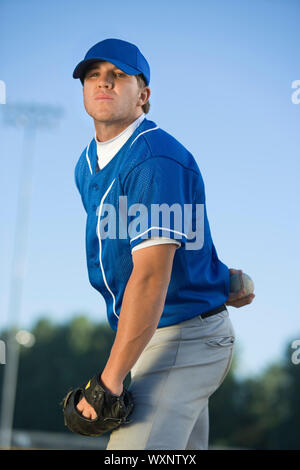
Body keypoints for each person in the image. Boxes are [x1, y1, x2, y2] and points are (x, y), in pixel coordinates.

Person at [72, 38, 255, 450]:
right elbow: (140, 243)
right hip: (156, 335)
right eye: (93, 75)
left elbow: (151, 274)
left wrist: (108, 381)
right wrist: (215, 276)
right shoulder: (88, 163)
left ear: (144, 94)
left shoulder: (154, 158)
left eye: (119, 75)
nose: (104, 83)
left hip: (184, 339)